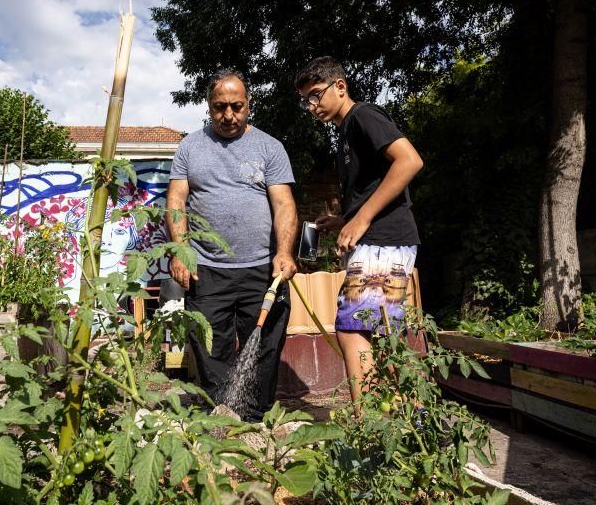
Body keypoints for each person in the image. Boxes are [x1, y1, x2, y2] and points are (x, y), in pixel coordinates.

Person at [166, 69, 298, 421]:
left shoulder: (270, 147)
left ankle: (255, 418)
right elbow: (177, 200)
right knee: (210, 348)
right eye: (219, 107)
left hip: (261, 269)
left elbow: (284, 204)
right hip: (207, 270)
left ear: (248, 104)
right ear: (209, 107)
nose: (228, 115)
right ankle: (221, 416)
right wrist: (181, 251)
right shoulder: (190, 146)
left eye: (236, 107)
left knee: (265, 346)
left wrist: (284, 252)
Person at [294, 56, 424, 405]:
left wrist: (362, 219)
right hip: (381, 241)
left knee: (352, 329)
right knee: (382, 337)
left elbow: (410, 161)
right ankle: (417, 421)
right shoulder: (345, 133)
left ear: (340, 86)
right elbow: (373, 187)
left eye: (316, 95)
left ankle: (368, 426)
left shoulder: (363, 116)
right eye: (305, 100)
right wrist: (344, 220)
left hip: (385, 240)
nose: (311, 106)